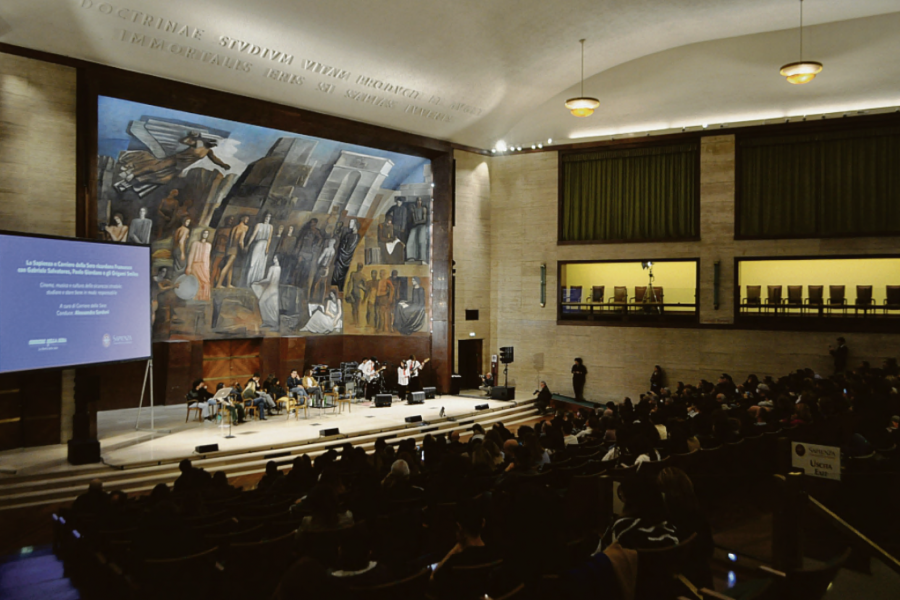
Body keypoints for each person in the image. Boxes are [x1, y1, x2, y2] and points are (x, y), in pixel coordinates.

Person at [431, 500, 500, 594]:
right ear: (483, 523)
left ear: (459, 527)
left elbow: (433, 579)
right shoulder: (497, 556)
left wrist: (454, 550)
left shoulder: (454, 564)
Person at [216, 215, 249, 288]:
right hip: (235, 249)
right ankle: (219, 284)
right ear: (242, 218)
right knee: (227, 266)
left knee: (230, 267)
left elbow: (230, 240)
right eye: (246, 218)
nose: (247, 220)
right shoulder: (244, 228)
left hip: (229, 248)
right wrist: (243, 249)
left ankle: (228, 284)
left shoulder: (235, 227)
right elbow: (240, 241)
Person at [251, 256, 282, 328]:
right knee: (273, 305)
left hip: (271, 288)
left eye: (275, 258)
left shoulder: (272, 268)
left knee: (262, 302)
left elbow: (268, 279)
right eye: (274, 258)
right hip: (275, 289)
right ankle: (270, 322)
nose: (274, 259)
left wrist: (258, 282)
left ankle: (270, 322)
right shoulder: (279, 268)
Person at [244, 213, 274, 286]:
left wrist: (267, 248)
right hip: (258, 244)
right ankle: (249, 281)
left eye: (269, 217)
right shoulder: (259, 225)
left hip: (265, 245)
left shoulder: (270, 227)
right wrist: (248, 245)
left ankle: (257, 281)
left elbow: (269, 238)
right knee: (253, 262)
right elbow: (253, 235)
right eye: (266, 216)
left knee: (261, 264)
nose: (267, 218)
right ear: (264, 217)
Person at [186, 229, 213, 301]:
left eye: (207, 234)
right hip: (195, 264)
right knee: (196, 281)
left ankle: (203, 297)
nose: (205, 235)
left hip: (204, 266)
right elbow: (191, 255)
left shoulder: (208, 245)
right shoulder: (195, 244)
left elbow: (207, 257)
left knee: (205, 281)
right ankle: (195, 297)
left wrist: (207, 268)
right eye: (204, 233)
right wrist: (189, 266)